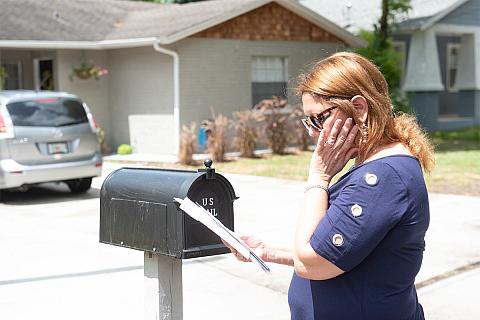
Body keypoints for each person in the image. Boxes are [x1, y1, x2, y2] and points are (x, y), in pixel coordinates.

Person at [225, 52, 434, 320]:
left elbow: (310, 263)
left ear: (359, 108)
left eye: (318, 118)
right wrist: (268, 251)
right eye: (308, 120)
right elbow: (339, 252)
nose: (312, 132)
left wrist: (319, 178)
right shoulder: (379, 170)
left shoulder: (382, 178)